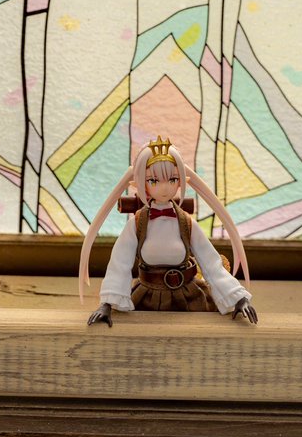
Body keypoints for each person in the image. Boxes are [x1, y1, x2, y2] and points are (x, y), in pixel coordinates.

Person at [78, 137, 258, 326]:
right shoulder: (137, 224)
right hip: (146, 297)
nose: (164, 188)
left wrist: (238, 298)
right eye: (153, 181)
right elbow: (119, 263)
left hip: (188, 296)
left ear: (180, 181)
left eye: (172, 179)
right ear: (141, 182)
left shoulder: (186, 223)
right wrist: (106, 304)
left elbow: (211, 263)